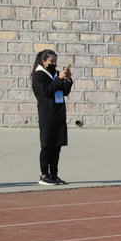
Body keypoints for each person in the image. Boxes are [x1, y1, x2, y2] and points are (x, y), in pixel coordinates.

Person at [31, 49, 73, 185]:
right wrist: (59, 79)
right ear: (44, 62)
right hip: (47, 114)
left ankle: (54, 175)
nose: (54, 64)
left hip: (58, 114)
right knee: (47, 146)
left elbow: (64, 91)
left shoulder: (55, 73)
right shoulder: (39, 76)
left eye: (55, 61)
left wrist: (68, 80)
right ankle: (44, 175)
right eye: (51, 61)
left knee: (57, 146)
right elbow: (47, 91)